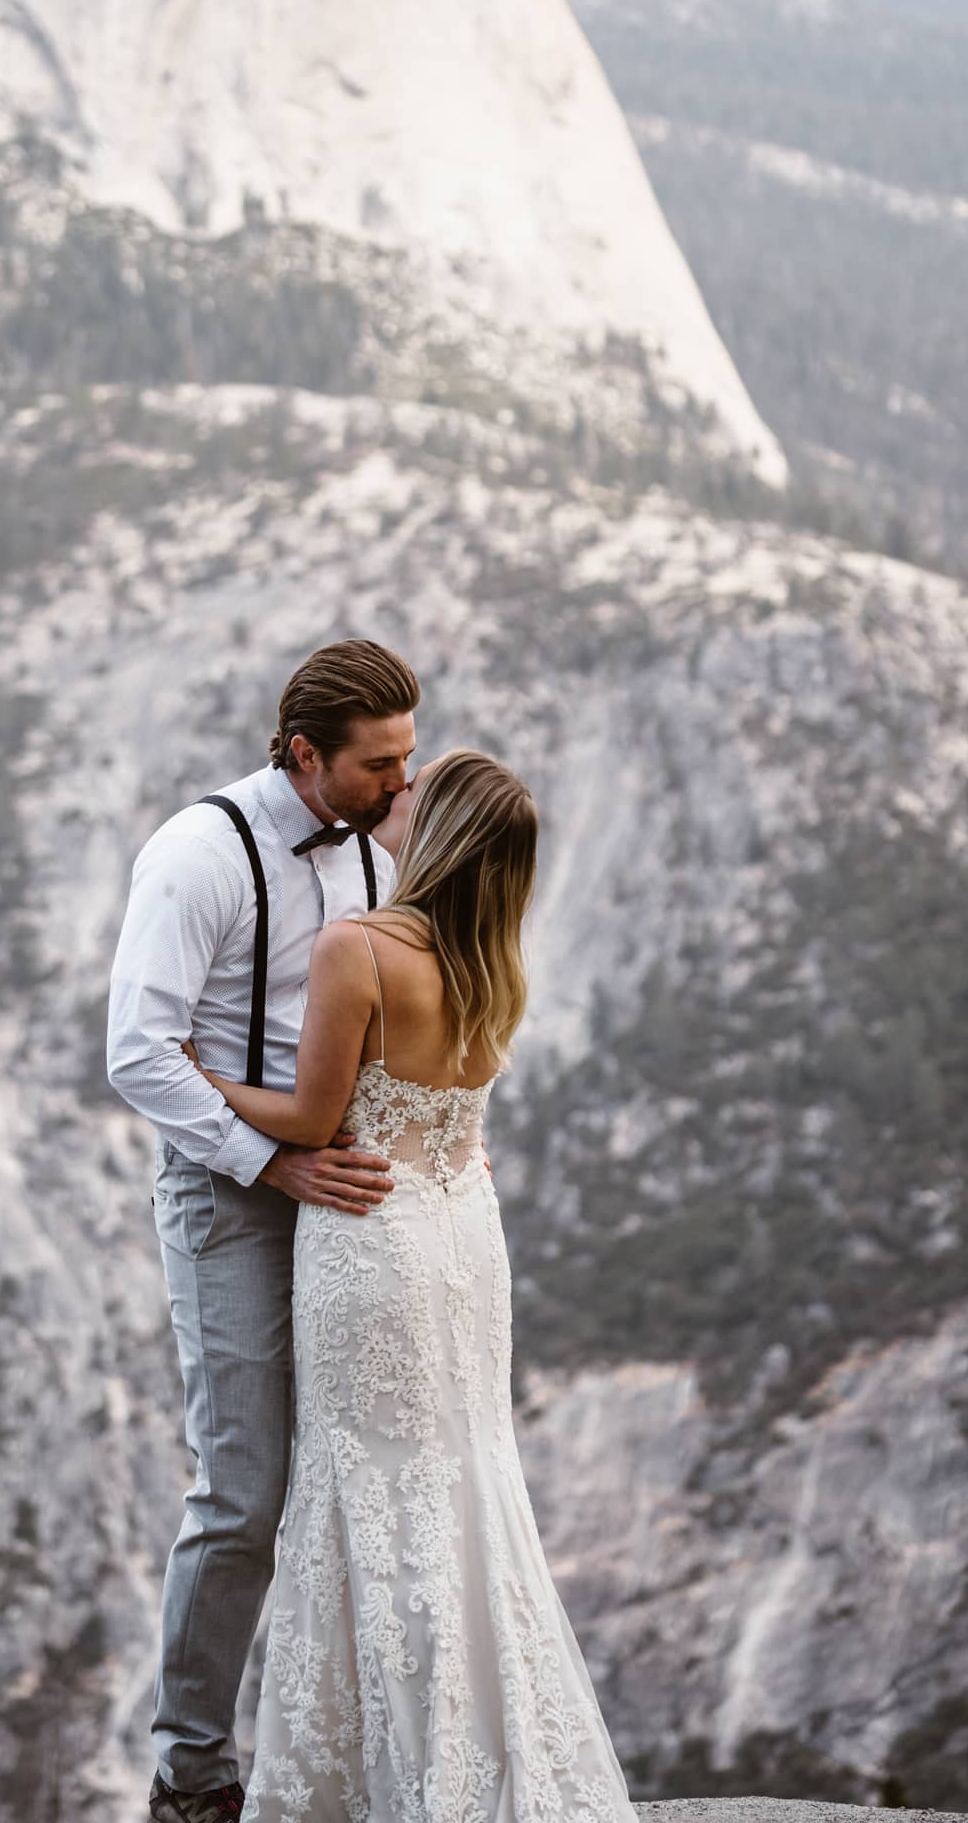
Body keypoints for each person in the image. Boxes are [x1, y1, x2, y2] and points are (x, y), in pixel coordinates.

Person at [189, 749, 638, 1823]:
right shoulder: (492, 956)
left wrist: (195, 1076)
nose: (394, 794)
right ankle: (482, 1757)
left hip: (370, 1238)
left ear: (435, 830)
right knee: (465, 1481)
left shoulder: (362, 946)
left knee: (370, 1488)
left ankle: (388, 1779)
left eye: (413, 790)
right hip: (463, 1242)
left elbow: (308, 1121)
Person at [107, 637, 423, 1822]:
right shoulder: (200, 853)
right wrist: (271, 1160)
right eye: (379, 766)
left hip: (345, 1189)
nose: (404, 786)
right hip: (231, 1193)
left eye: (408, 758)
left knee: (360, 1474)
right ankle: (192, 1777)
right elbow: (138, 1054)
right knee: (243, 1490)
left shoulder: (381, 846)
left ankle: (346, 1755)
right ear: (303, 754)